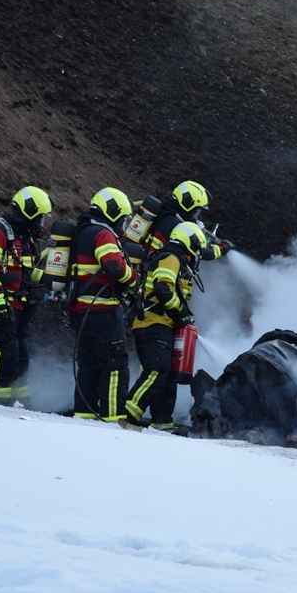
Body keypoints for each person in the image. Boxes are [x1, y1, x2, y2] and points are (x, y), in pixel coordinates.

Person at [125, 220, 206, 431]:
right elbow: (163, 288)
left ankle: (163, 422)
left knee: (167, 375)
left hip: (161, 324)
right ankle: (128, 416)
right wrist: (180, 313)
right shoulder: (171, 258)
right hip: (153, 323)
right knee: (156, 370)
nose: (197, 254)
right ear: (190, 243)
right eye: (197, 247)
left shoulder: (175, 259)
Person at [0, 185, 52, 406]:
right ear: (29, 213)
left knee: (21, 356)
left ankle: (21, 401)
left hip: (20, 305)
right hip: (0, 303)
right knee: (7, 351)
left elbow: (25, 272)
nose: (41, 224)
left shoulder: (24, 238)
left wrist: (52, 279)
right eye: (40, 218)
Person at [69, 187, 136, 424]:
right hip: (102, 310)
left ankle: (84, 415)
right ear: (113, 212)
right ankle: (114, 418)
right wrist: (134, 278)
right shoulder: (103, 234)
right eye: (122, 218)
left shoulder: (82, 231)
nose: (123, 223)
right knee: (115, 365)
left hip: (81, 310)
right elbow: (114, 266)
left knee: (88, 364)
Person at [142, 180, 233, 260]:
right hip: (152, 270)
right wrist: (224, 247)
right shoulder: (178, 226)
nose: (196, 216)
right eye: (196, 211)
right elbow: (202, 252)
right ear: (187, 203)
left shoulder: (162, 211)